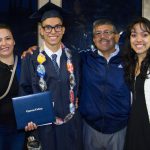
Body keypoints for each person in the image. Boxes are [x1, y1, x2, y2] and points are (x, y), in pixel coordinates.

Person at [19, 10, 83, 150]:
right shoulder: (30, 58)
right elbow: (25, 90)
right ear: (41, 31)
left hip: (70, 125)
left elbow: (80, 87)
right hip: (43, 128)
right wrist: (28, 119)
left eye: (57, 26)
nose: (53, 31)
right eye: (47, 27)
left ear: (63, 30)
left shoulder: (75, 57)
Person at [79, 19, 131, 150]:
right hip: (91, 128)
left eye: (107, 32)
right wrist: (34, 51)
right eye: (98, 33)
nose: (103, 36)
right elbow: (61, 54)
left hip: (119, 129)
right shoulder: (84, 59)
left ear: (117, 36)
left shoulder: (129, 60)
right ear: (94, 39)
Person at [122, 17, 150, 150]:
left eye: (145, 35)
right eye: (134, 35)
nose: (138, 40)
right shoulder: (132, 65)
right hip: (134, 125)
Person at [0, 24, 25, 149]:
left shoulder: (25, 64)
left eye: (7, 38)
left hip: (20, 129)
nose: (4, 43)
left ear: (14, 41)